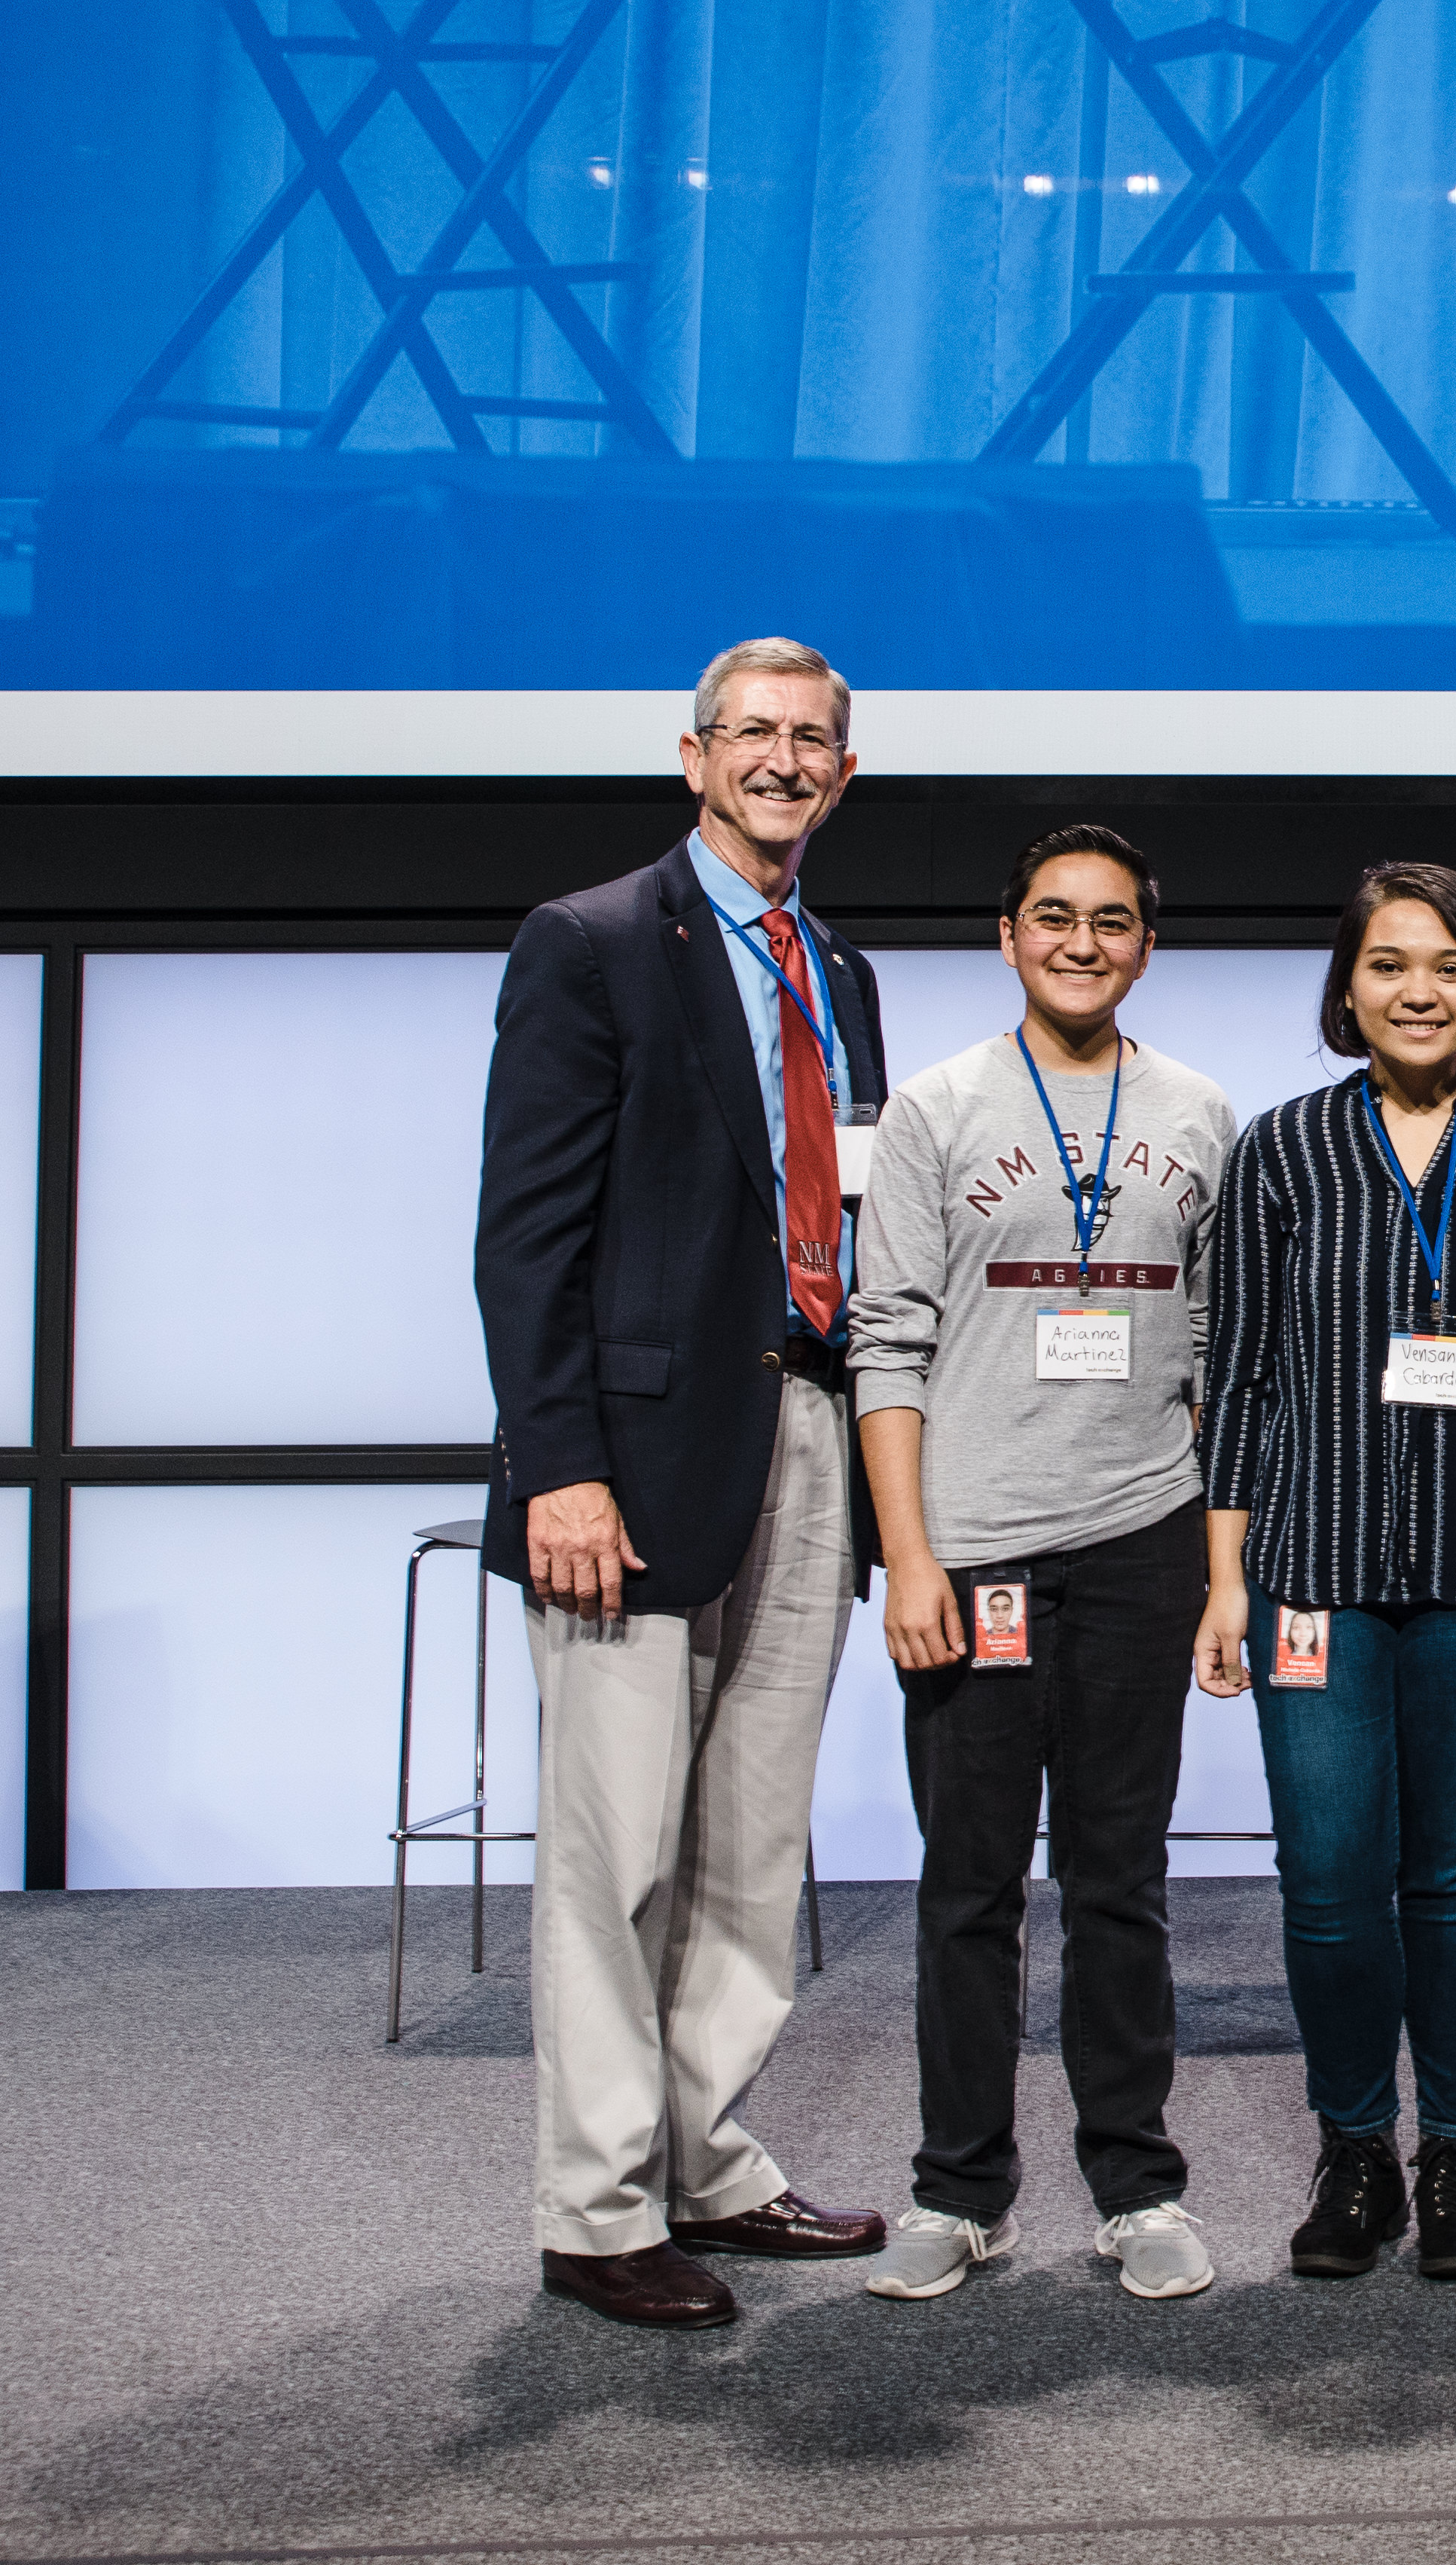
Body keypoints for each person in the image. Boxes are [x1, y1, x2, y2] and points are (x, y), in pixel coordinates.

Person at [473, 636, 894, 2329]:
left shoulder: (836, 968)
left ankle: (707, 2156)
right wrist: (559, 1468)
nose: (784, 760)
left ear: (844, 775)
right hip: (629, 1472)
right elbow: (526, 1241)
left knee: (748, 1841)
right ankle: (594, 2207)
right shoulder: (585, 944)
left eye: (814, 741)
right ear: (692, 752)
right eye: (756, 734)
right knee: (613, 1854)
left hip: (805, 1434)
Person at [1196, 862, 1456, 2282]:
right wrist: (1225, 1577)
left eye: (1446, 965)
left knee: (1455, 1882)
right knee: (1325, 1881)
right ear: (1349, 985)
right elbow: (1238, 1379)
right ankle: (1355, 2151)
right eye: (1388, 964)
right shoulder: (1282, 1149)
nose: (1418, 990)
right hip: (1311, 1571)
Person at [848, 824, 1235, 2306]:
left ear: (1146, 944)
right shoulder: (937, 1111)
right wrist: (909, 1557)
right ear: (1004, 934)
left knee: (1118, 1879)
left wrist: (1218, 1571)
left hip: (1141, 1534)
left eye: (1113, 921)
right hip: (977, 1543)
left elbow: (1212, 1353)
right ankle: (958, 2191)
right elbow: (885, 1340)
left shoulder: (1198, 1111)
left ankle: (1135, 2187)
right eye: (1054, 917)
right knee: (967, 1886)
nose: (1082, 941)